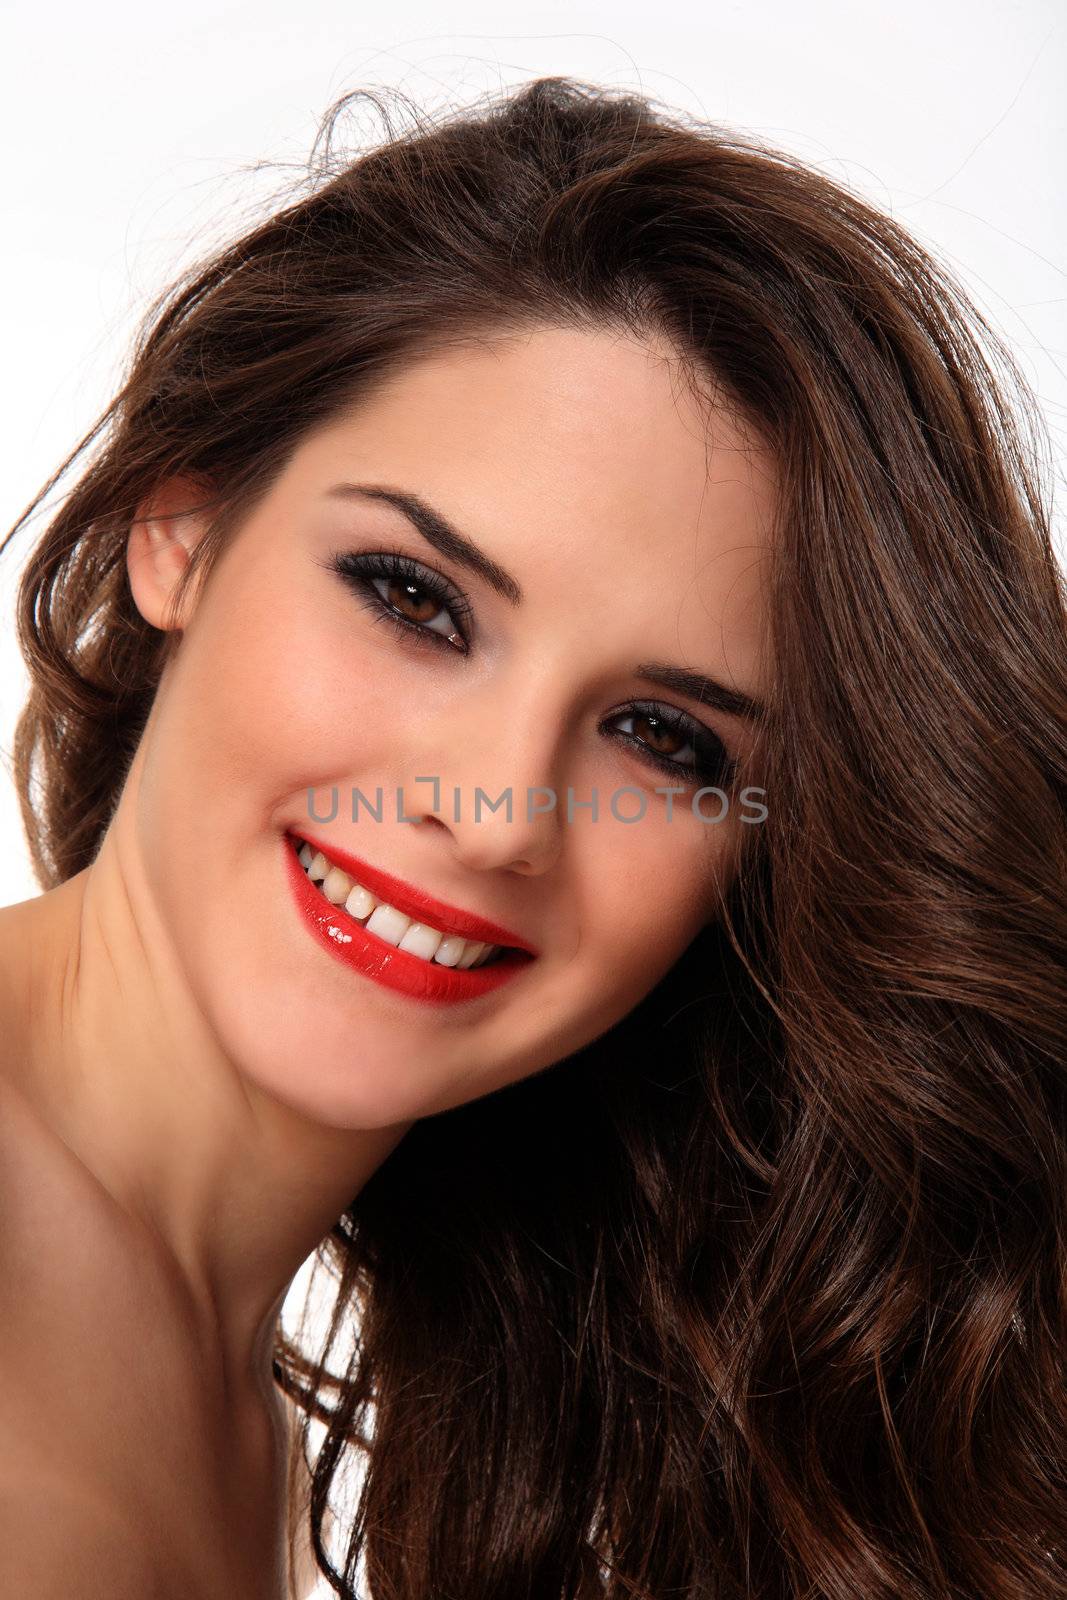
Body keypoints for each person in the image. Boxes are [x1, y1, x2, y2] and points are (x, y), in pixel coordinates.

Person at [0, 75, 1063, 1600]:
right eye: (415, 598)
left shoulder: (241, 1412)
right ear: (179, 530)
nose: (497, 809)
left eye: (666, 739)